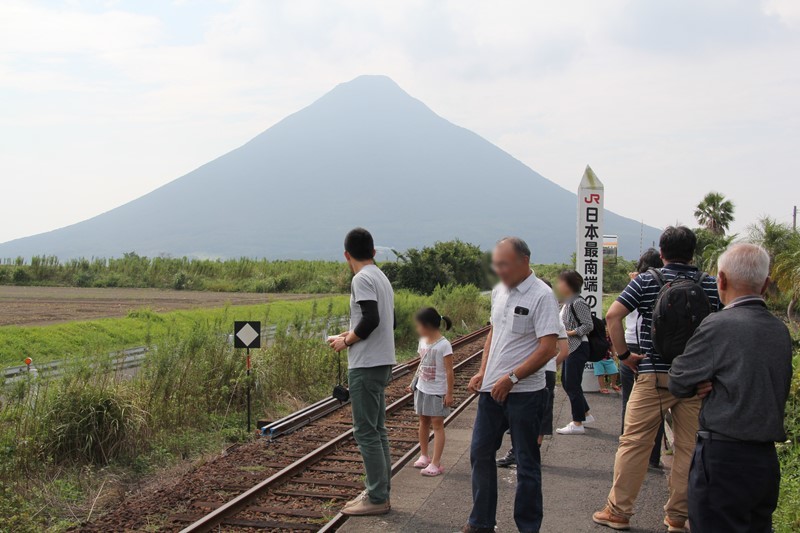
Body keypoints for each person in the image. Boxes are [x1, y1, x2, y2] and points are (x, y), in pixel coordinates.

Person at [593, 226, 720, 532]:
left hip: (652, 375)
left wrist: (624, 356)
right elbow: (724, 328)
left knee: (634, 442)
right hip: (694, 379)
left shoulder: (649, 280)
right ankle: (677, 518)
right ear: (693, 253)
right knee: (689, 448)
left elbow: (613, 316)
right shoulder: (710, 284)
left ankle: (619, 512)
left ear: (661, 253)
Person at [669, 244, 793, 533]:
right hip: (764, 460)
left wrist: (700, 383)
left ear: (720, 280)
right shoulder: (780, 330)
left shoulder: (719, 325)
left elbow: (678, 379)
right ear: (765, 284)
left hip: (723, 456)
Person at [461, 237, 560, 533]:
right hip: (492, 391)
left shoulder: (542, 295)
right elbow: (494, 333)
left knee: (527, 463)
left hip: (526, 394)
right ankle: (481, 523)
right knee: (480, 453)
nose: (499, 270)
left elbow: (548, 348)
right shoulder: (499, 291)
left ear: (524, 261)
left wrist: (512, 377)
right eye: (496, 264)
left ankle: (528, 527)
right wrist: (484, 371)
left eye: (504, 264)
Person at [328, 228, 396, 517]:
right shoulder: (381, 277)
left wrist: (346, 341)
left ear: (346, 255)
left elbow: (371, 319)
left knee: (365, 432)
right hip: (382, 361)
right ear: (374, 252)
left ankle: (377, 497)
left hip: (366, 365)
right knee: (377, 430)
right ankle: (378, 490)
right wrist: (351, 333)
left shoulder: (361, 278)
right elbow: (384, 324)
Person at [496, 280, 568, 468]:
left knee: (530, 416)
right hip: (539, 372)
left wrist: (551, 364)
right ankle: (525, 452)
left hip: (536, 373)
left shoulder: (549, 315)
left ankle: (524, 454)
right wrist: (554, 365)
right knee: (535, 416)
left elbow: (559, 350)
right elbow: (562, 350)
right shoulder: (551, 317)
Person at [620, 248, 665, 469]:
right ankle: (653, 457)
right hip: (659, 348)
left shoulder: (637, 284)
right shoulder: (666, 284)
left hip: (631, 345)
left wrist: (623, 354)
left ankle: (627, 452)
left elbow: (614, 315)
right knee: (659, 404)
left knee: (630, 402)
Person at [408, 307, 455, 477]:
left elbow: (450, 371)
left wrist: (449, 393)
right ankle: (424, 456)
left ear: (427, 326)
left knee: (437, 425)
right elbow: (421, 364)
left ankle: (436, 463)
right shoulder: (422, 341)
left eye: (419, 326)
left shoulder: (444, 345)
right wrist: (414, 383)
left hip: (437, 391)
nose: (418, 329)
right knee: (423, 421)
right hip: (422, 388)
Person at [555, 270, 595, 435]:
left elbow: (588, 325)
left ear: (568, 284)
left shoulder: (577, 302)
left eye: (560, 282)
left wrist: (568, 333)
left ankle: (577, 423)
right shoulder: (566, 302)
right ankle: (585, 414)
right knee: (567, 382)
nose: (558, 285)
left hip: (578, 347)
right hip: (571, 348)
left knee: (572, 383)